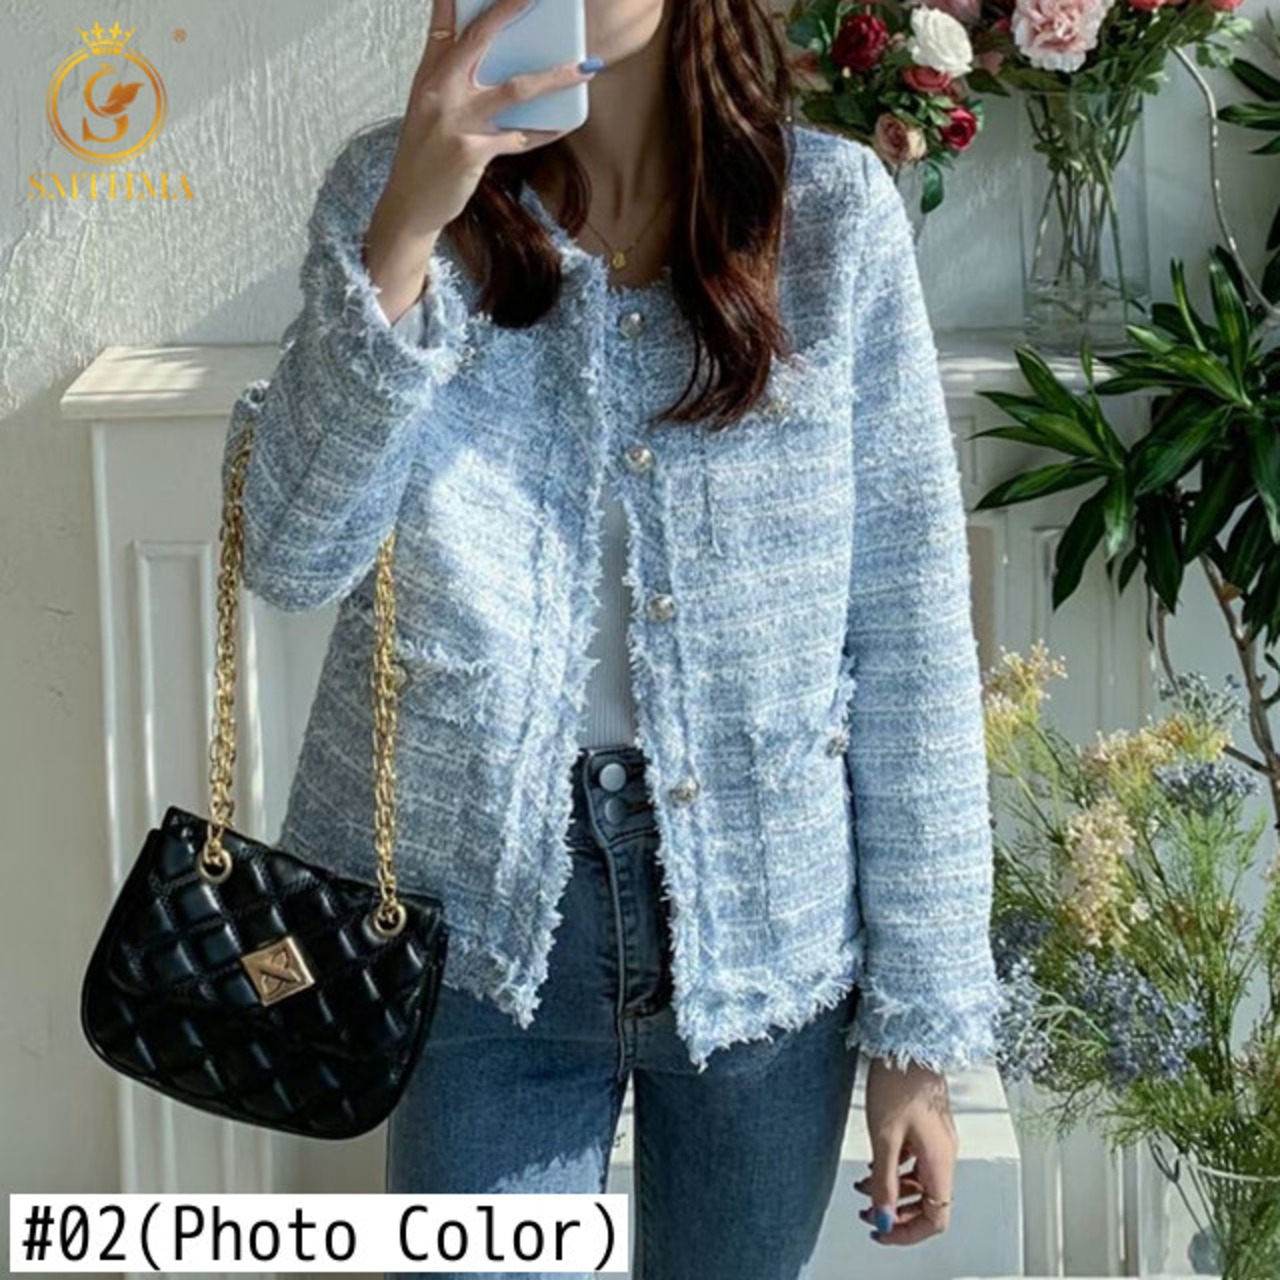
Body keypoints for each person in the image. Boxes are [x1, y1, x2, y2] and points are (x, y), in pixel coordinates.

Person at [220, 0, 1003, 1274]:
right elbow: (292, 551)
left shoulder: (830, 214)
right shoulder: (392, 188)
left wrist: (917, 1035)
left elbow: (908, 630)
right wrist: (407, 225)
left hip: (768, 927)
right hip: (468, 937)